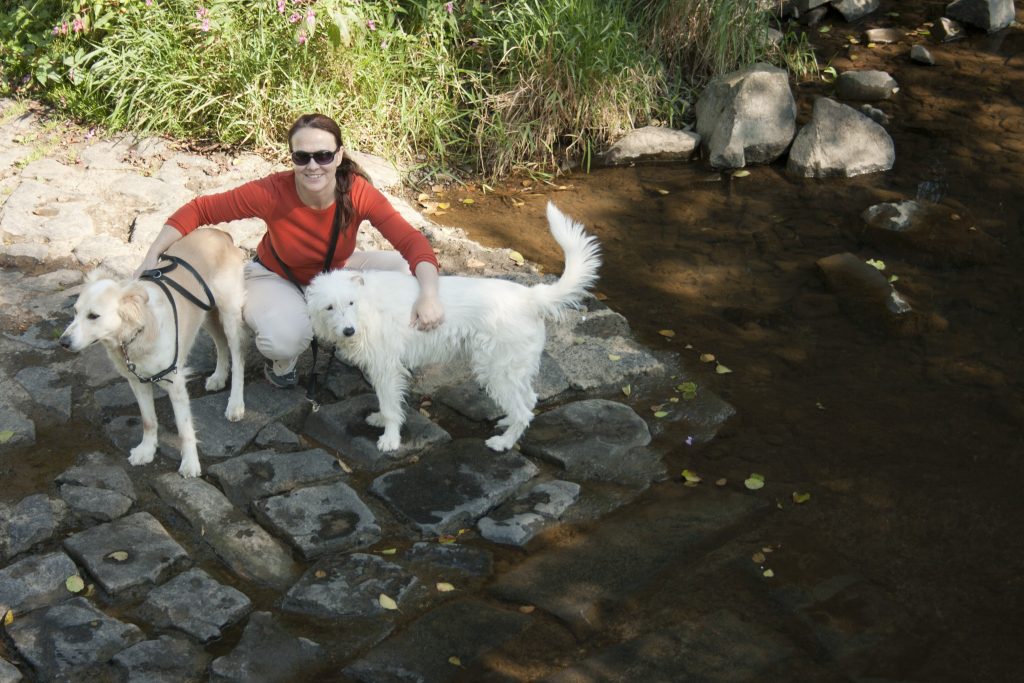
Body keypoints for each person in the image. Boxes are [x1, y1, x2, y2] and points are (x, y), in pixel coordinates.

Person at [134, 113, 444, 388]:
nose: (312, 166)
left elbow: (411, 242)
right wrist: (152, 257)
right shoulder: (272, 191)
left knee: (408, 275)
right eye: (302, 157)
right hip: (276, 275)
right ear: (292, 158)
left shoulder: (357, 191)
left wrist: (429, 295)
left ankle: (364, 345)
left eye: (323, 156)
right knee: (285, 338)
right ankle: (281, 363)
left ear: (338, 156)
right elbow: (198, 210)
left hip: (337, 270)